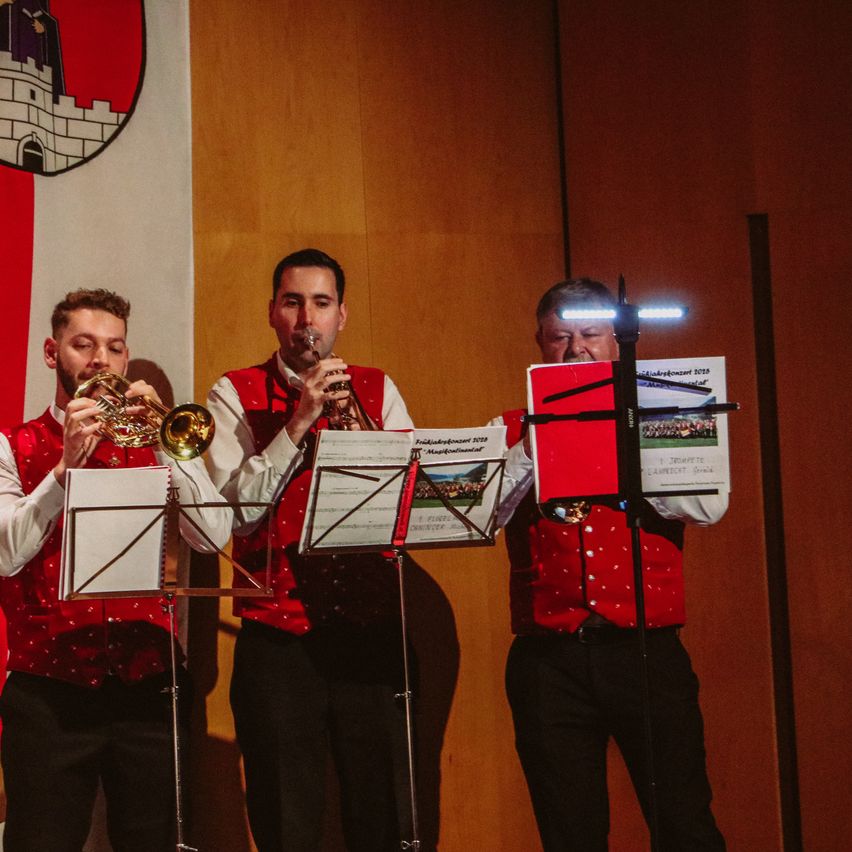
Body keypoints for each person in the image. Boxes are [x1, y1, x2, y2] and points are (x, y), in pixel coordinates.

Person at [493, 278, 727, 851]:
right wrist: (539, 441)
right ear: (540, 344)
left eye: (591, 334)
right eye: (560, 337)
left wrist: (632, 437)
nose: (576, 350)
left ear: (616, 340)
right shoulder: (513, 427)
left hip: (646, 652)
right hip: (551, 660)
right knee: (570, 835)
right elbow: (483, 517)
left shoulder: (666, 407)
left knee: (684, 826)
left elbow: (709, 507)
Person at [0, 288, 231, 851]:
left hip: (149, 685)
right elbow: (6, 553)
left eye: (115, 348)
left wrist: (169, 452)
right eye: (84, 344)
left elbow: (215, 535)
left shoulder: (153, 442)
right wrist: (62, 472)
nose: (101, 360)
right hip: (48, 692)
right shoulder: (13, 446)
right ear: (53, 353)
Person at [206, 247, 415, 852]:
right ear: (273, 312)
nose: (306, 319)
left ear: (341, 316)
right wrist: (297, 423)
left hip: (369, 634)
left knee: (379, 819)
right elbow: (237, 513)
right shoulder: (234, 393)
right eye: (293, 302)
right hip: (279, 643)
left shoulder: (378, 388)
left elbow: (406, 500)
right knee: (286, 820)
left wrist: (357, 429)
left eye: (320, 304)